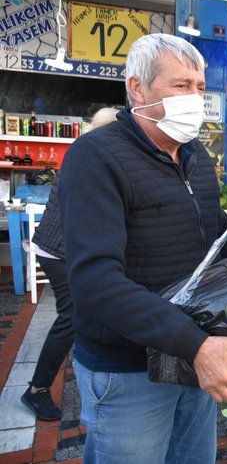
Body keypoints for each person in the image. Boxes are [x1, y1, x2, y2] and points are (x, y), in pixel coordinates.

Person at [59, 33, 227, 463]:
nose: (195, 97)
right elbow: (95, 281)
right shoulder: (95, 157)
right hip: (130, 369)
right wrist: (195, 344)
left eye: (199, 87)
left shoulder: (193, 156)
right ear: (138, 88)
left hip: (190, 359)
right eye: (181, 86)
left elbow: (213, 233)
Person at [20, 108, 120, 421]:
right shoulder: (90, 157)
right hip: (58, 249)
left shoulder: (92, 153)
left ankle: (88, 367)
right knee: (72, 315)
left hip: (65, 247)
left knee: (91, 310)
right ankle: (36, 389)